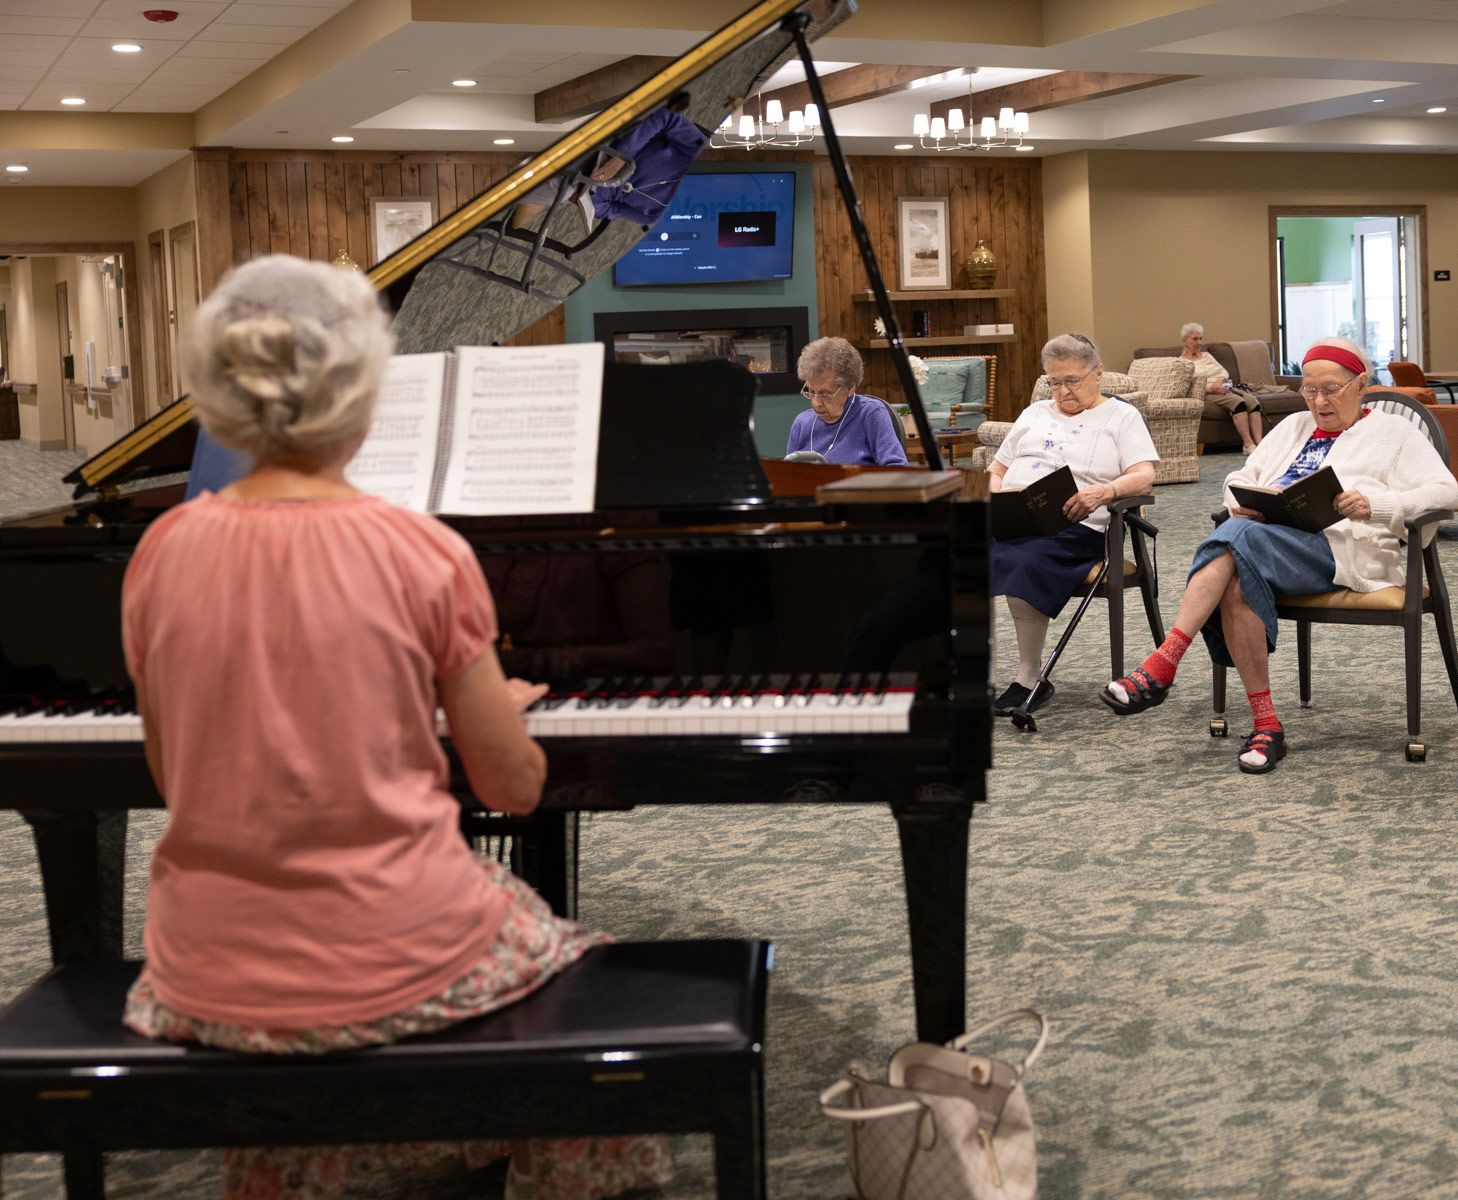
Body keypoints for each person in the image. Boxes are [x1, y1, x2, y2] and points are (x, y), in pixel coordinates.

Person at [120, 255, 670, 1199]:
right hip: (394, 947)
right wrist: (483, 713)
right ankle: (466, 1153)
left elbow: (179, 776)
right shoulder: (419, 548)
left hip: (204, 966)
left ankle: (343, 1160)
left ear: (216, 401)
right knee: (607, 992)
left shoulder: (163, 548)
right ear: (367, 398)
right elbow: (512, 790)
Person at [1102, 338, 1458, 774]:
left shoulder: (1393, 432)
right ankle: (1266, 724)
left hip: (1343, 551)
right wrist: (1240, 499)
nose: (1319, 401)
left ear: (1361, 384)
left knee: (1236, 541)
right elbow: (1240, 475)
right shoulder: (1293, 426)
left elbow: (1447, 493)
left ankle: (1164, 662)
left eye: (1331, 389)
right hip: (1268, 543)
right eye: (1310, 391)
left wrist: (1377, 504)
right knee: (1237, 572)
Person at [990, 333, 1158, 714]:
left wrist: (1103, 492)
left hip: (1072, 528)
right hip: (1013, 519)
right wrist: (994, 499)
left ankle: (1028, 677)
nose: (1062, 391)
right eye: (1054, 381)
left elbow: (1144, 475)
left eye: (1072, 380)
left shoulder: (1121, 416)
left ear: (1097, 374)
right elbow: (996, 468)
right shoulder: (1034, 413)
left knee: (1023, 562)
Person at [785, 335, 908, 466]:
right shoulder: (802, 423)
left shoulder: (871, 414)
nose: (816, 403)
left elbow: (896, 468)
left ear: (849, 388)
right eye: (811, 391)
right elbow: (788, 476)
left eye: (825, 394)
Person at [1181, 321, 1262, 453]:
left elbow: (1224, 371)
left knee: (1253, 402)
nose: (1199, 342)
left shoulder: (1206, 355)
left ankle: (1259, 443)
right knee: (1239, 403)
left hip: (1224, 386)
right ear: (1185, 340)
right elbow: (1189, 384)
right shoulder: (1182, 362)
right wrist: (1212, 388)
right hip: (1208, 392)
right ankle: (1248, 444)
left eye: (1201, 338)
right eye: (1195, 339)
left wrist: (1220, 380)